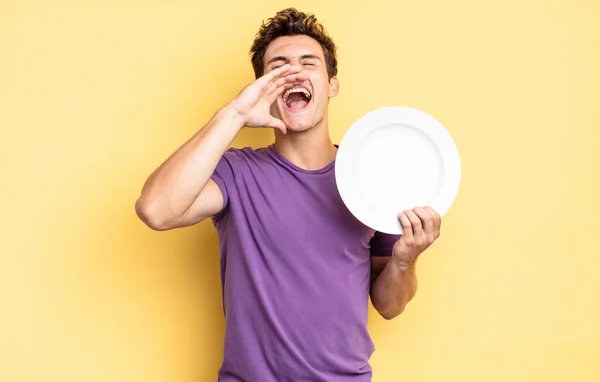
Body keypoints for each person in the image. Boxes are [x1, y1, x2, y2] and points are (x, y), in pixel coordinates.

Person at [135, 7, 441, 382]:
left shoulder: (371, 179)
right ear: (262, 89)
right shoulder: (236, 173)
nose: (293, 72)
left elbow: (390, 306)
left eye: (308, 62)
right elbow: (155, 210)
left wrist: (406, 260)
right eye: (277, 67)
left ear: (331, 85)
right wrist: (234, 113)